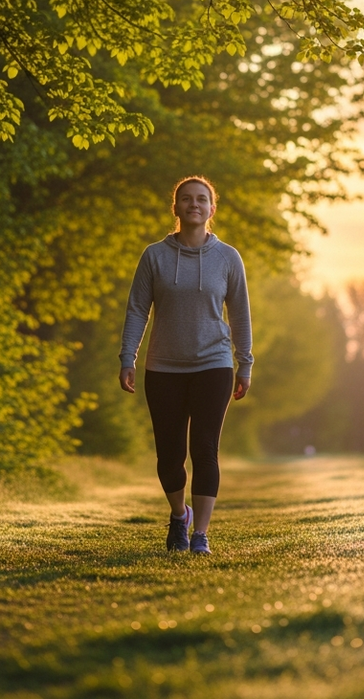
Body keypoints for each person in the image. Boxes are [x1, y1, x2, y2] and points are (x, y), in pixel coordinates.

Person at [119, 176, 253, 555]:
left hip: (214, 364)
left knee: (205, 450)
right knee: (169, 456)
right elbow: (137, 311)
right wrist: (128, 357)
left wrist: (245, 364)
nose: (194, 204)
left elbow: (240, 315)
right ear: (175, 208)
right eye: (186, 199)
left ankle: (200, 536)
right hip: (163, 368)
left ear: (212, 209)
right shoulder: (155, 256)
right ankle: (180, 515)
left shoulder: (228, 258)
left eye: (202, 199)